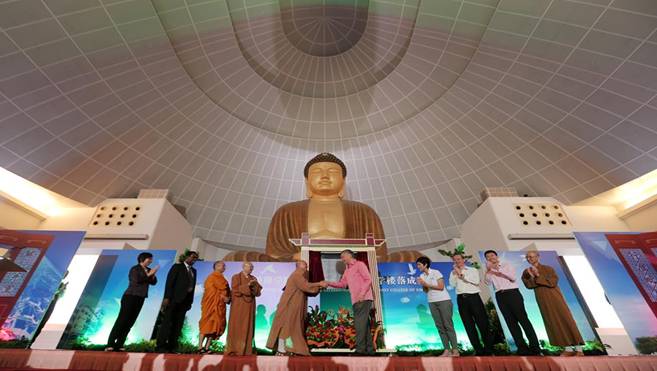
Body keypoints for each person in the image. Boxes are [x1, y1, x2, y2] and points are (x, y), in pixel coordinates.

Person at [224, 152, 423, 262]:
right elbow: (275, 253)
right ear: (307, 181)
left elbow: (379, 253)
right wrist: (294, 256)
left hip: (355, 262)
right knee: (237, 258)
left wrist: (364, 257)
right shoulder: (287, 211)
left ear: (343, 182)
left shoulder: (363, 211)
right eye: (317, 171)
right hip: (300, 262)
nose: (325, 176)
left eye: (333, 171)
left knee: (414, 258)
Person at [522, 251, 584, 355]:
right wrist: (533, 277)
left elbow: (552, 282)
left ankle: (579, 349)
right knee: (553, 321)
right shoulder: (526, 272)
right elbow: (528, 285)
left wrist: (537, 275)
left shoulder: (548, 268)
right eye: (527, 257)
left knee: (566, 319)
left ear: (538, 257)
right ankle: (567, 349)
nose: (529, 259)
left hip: (555, 296)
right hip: (542, 299)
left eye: (531, 256)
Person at [484, 250, 540, 356]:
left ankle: (535, 347)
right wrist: (488, 271)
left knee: (523, 320)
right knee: (511, 323)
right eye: (487, 257)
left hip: (513, 294)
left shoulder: (506, 265)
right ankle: (522, 348)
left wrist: (498, 270)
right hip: (500, 295)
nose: (490, 257)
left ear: (496, 256)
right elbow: (487, 282)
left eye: (492, 255)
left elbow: (513, 278)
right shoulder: (489, 271)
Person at [320, 250, 374, 355]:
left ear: (350, 255)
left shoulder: (359, 265)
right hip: (355, 300)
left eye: (343, 256)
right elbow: (342, 284)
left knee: (359, 324)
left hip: (363, 298)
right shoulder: (347, 270)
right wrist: (328, 282)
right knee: (364, 325)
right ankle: (370, 350)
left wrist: (362, 294)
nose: (342, 259)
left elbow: (368, 279)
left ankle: (360, 350)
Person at [266, 260, 322, 356]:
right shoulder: (297, 275)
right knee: (286, 327)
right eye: (305, 266)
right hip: (290, 305)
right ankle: (281, 350)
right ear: (299, 267)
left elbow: (307, 288)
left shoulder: (298, 276)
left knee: (291, 327)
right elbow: (306, 286)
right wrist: (319, 284)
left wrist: (317, 286)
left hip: (294, 305)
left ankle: (286, 349)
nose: (306, 269)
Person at [106, 252, 159, 351]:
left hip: (141, 297)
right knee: (122, 320)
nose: (151, 261)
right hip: (130, 296)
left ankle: (120, 344)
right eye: (149, 259)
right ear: (142, 259)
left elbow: (154, 282)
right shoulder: (135, 269)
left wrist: (152, 275)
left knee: (130, 322)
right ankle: (110, 344)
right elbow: (136, 280)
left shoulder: (148, 270)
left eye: (151, 259)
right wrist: (149, 274)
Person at [449, 254, 494, 356]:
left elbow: (476, 281)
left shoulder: (472, 270)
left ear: (463, 260)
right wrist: (455, 274)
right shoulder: (453, 273)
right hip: (461, 299)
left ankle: (489, 349)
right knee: (468, 325)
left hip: (474, 298)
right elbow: (452, 285)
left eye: (459, 259)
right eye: (455, 260)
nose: (457, 261)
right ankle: (478, 350)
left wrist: (461, 275)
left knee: (482, 323)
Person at [156, 250, 198, 353]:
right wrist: (167, 298)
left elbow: (192, 287)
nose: (194, 260)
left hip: (185, 302)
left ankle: (172, 347)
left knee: (178, 325)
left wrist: (190, 302)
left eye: (196, 258)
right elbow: (170, 282)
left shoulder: (194, 271)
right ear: (187, 257)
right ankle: (160, 346)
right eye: (193, 257)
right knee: (167, 323)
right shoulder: (177, 267)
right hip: (173, 299)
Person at [416, 256, 458, 357]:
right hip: (432, 302)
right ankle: (447, 350)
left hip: (443, 300)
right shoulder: (422, 275)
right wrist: (422, 285)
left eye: (419, 265)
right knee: (439, 326)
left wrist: (426, 283)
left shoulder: (436, 272)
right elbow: (426, 291)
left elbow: (441, 287)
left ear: (425, 264)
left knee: (448, 325)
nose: (418, 267)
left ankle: (455, 350)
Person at [225, 262, 262, 355]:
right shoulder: (236, 277)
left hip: (250, 306)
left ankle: (246, 350)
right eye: (249, 267)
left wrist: (254, 286)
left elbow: (258, 292)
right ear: (243, 267)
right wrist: (248, 285)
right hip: (238, 305)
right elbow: (235, 290)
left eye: (252, 267)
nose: (251, 269)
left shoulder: (253, 278)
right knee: (237, 325)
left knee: (248, 325)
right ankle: (234, 349)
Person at [198, 261, 231, 354]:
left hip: (220, 306)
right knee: (206, 324)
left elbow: (227, 291)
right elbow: (210, 291)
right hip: (211, 305)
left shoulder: (223, 279)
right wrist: (221, 296)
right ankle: (200, 347)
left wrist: (228, 298)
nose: (224, 267)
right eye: (222, 265)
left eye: (224, 265)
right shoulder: (211, 277)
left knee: (215, 326)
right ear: (216, 266)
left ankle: (207, 347)